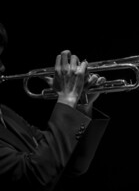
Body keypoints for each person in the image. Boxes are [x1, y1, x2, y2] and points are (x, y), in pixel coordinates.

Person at [0, 23, 110, 191]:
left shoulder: (4, 113)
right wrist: (67, 98)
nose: (2, 67)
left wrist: (81, 104)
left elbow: (72, 165)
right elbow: (34, 177)